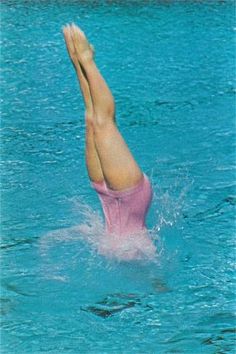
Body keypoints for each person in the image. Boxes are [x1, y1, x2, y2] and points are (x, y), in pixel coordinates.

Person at [63, 24, 156, 259]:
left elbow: (88, 230)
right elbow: (158, 275)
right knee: (104, 122)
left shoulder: (112, 252)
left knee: (92, 118)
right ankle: (87, 59)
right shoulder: (141, 255)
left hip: (103, 191)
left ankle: (77, 61)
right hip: (130, 194)